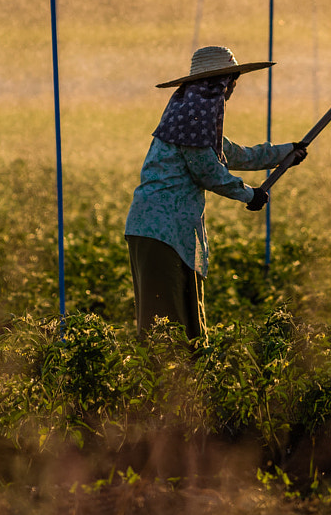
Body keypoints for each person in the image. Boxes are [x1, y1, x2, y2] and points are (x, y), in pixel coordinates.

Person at [124, 46, 307, 339]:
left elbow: (236, 155)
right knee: (165, 324)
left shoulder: (193, 124)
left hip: (171, 231)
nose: (232, 89)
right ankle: (166, 382)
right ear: (217, 84)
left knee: (184, 315)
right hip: (158, 232)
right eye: (230, 81)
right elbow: (207, 172)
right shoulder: (190, 124)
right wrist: (250, 195)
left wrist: (286, 152)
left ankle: (187, 381)